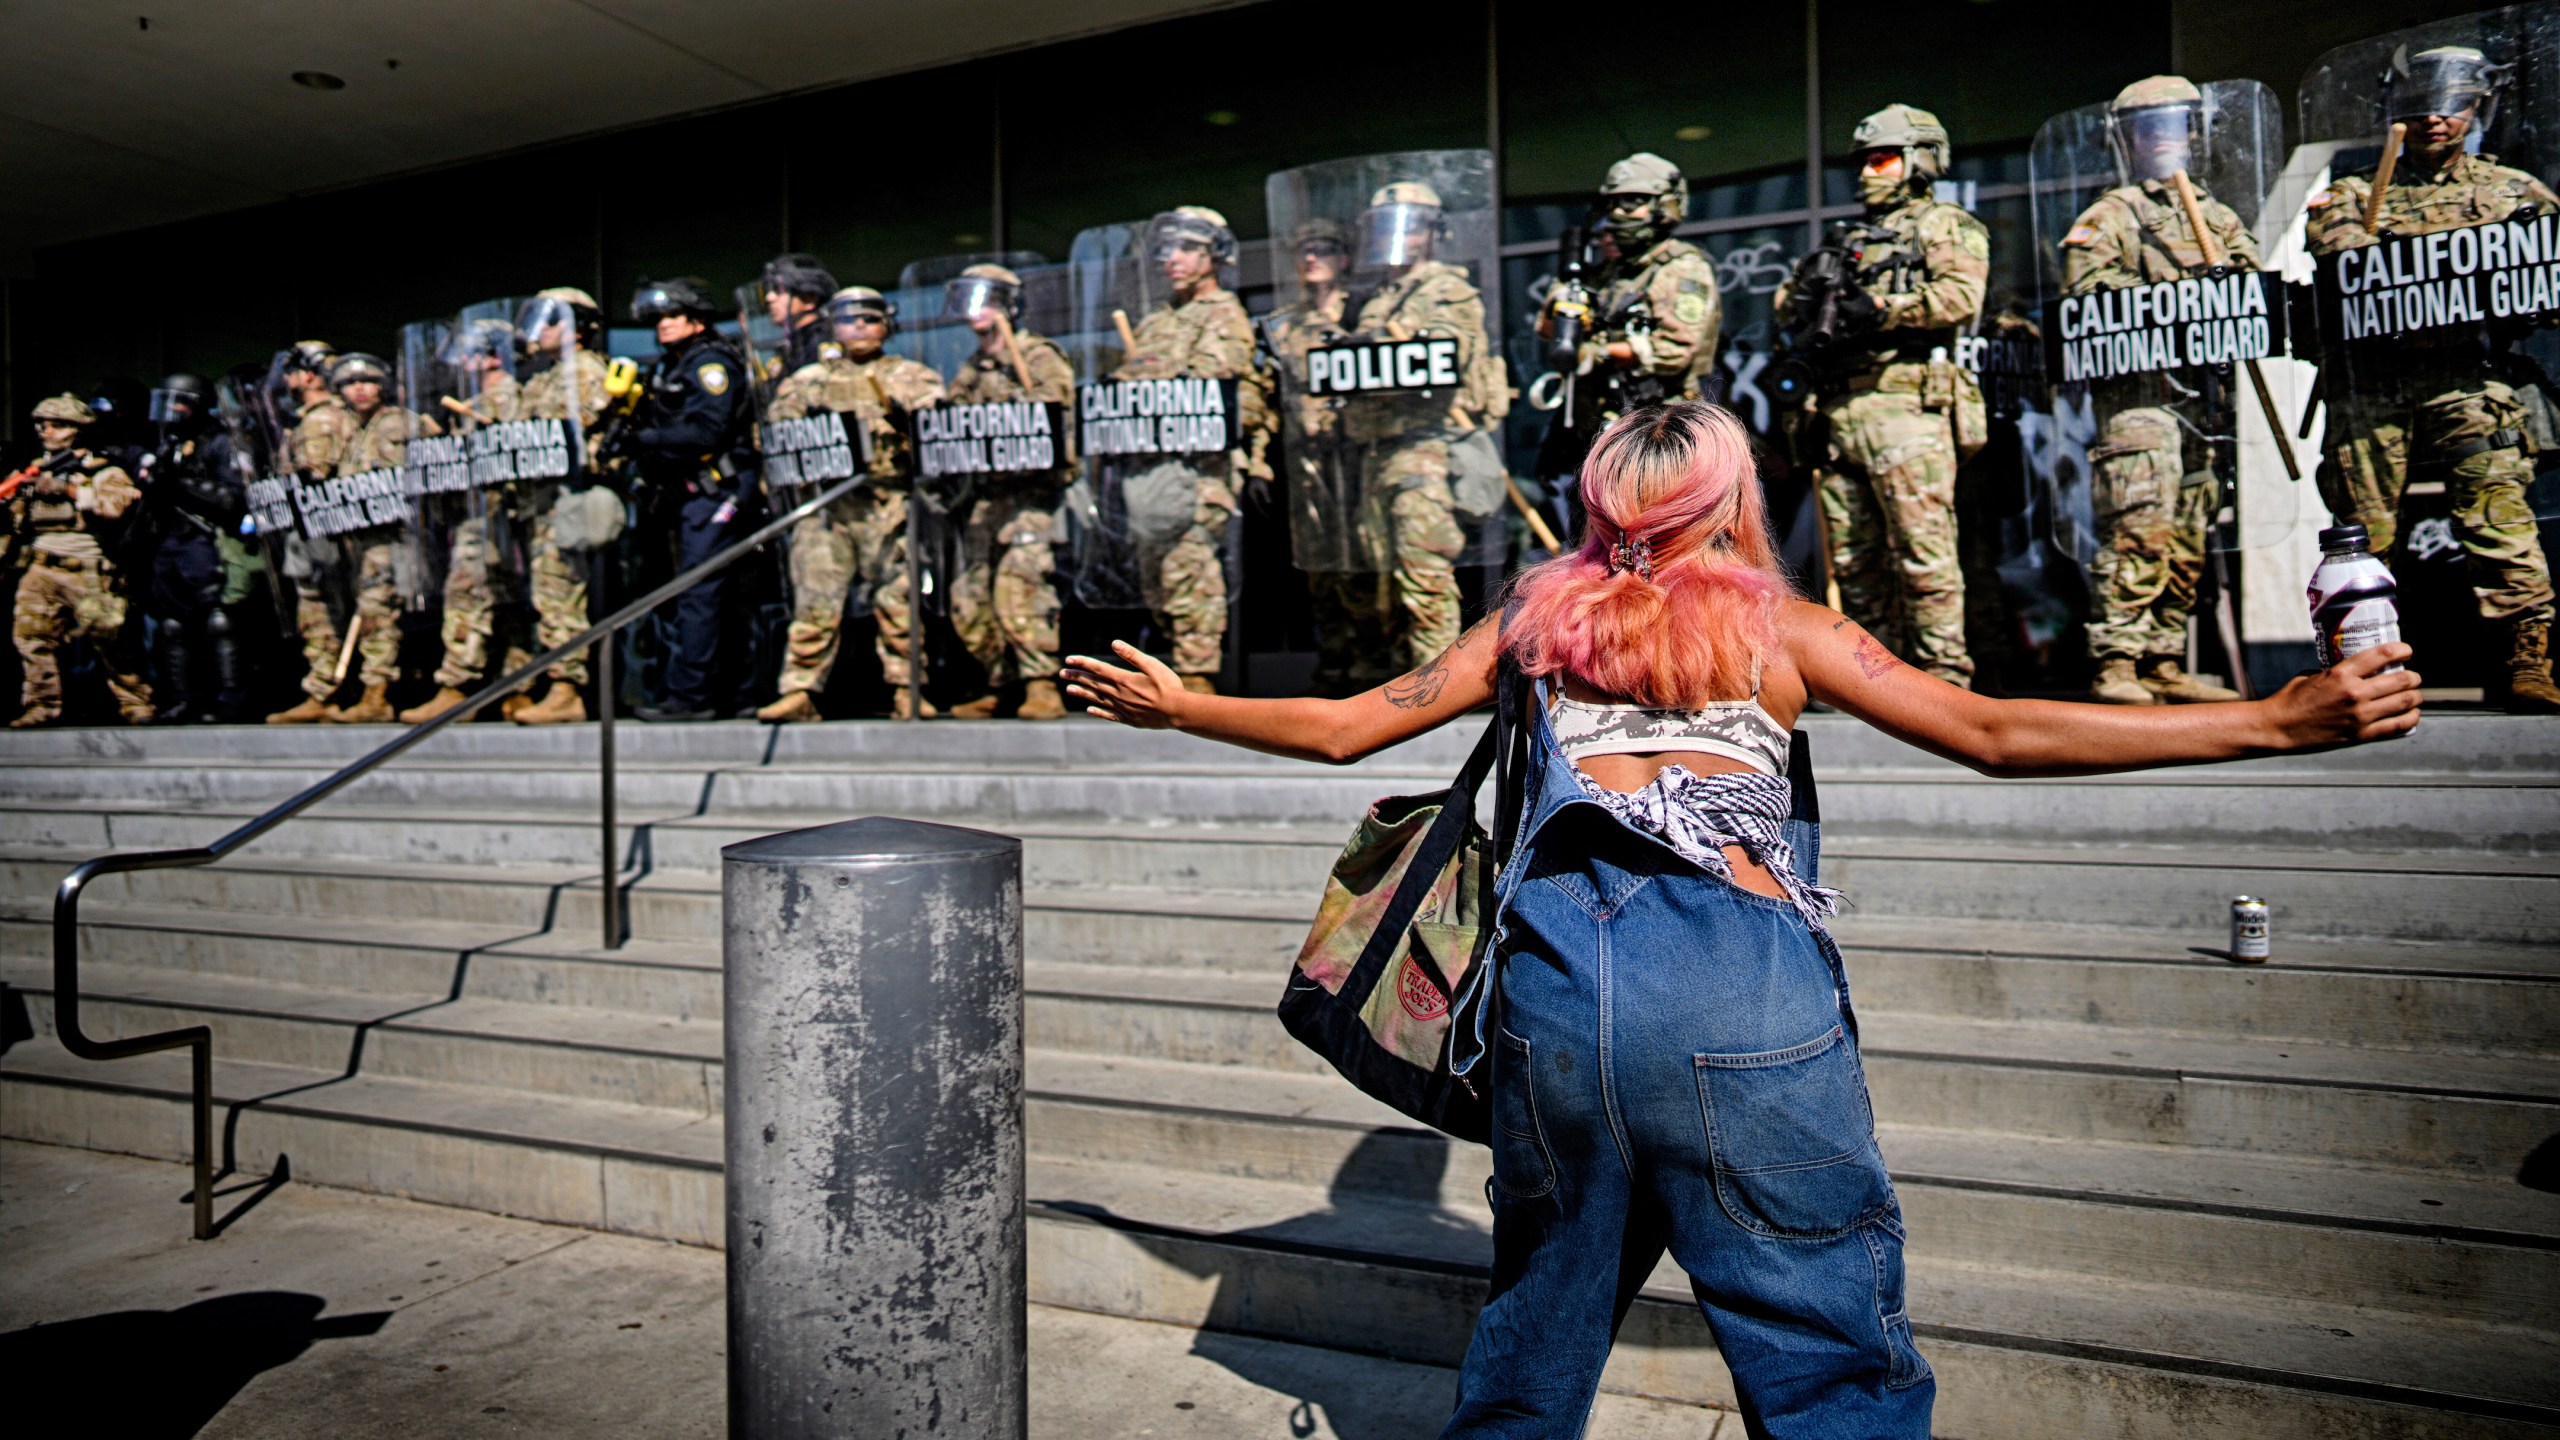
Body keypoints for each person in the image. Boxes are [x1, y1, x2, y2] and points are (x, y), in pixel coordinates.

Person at [1061, 400, 2421, 1439]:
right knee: (1827, 1359)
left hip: (1553, 1008)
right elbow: (1996, 732)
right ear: (1728, 503)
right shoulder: (1781, 628)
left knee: (1534, 1338)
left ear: (1598, 503)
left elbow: (1351, 727)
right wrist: (2267, 717)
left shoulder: (1535, 621)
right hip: (1740, 999)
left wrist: (1180, 704)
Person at [2306, 45, 2560, 712]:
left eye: (2453, 106)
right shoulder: (2355, 194)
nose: (2435, 120)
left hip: (2470, 380)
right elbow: (2336, 256)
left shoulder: (2515, 192)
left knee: (2500, 513)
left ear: (2477, 109)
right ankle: (2363, 666)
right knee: (2363, 534)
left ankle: (2525, 656)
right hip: (2375, 386)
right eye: (2420, 106)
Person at [1778, 104, 1989, 687]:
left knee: (1923, 551)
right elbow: (1787, 310)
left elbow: (1960, 297)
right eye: (1865, 162)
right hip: (1841, 412)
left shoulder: (1943, 224)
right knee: (1854, 561)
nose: (1869, 172)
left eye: (1883, 159)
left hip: (1907, 408)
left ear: (1920, 160)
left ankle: (1944, 678)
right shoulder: (1844, 241)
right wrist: (1806, 300)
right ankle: (1868, 680)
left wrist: (1880, 309)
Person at [2065, 77, 2258, 706]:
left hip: (2205, 402)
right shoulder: (2112, 215)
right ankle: (2116, 657)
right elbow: (2089, 297)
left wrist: (2229, 284)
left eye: (2173, 127)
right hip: (2140, 401)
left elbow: (2255, 294)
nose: (2162, 140)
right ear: (2129, 141)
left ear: (2194, 135)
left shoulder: (2218, 217)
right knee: (2139, 527)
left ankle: (2163, 656)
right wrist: (2182, 298)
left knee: (2189, 531)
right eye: (2148, 129)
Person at [758, 285, 947, 722]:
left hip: (891, 502)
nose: (859, 326)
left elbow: (943, 436)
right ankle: (800, 691)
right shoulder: (808, 381)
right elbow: (775, 439)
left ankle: (908, 689)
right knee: (814, 601)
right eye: (848, 318)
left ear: (887, 325)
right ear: (833, 326)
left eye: (870, 318)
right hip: (828, 506)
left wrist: (911, 425)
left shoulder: (914, 377)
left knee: (899, 601)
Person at [1339, 180, 1496, 676]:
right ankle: (1397, 684)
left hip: (1425, 448)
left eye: (1408, 226)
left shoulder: (1446, 288)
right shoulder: (1380, 297)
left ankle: (1435, 690)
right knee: (1381, 575)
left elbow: (1449, 355)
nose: (1397, 237)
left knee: (1423, 574)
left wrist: (1380, 341)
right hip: (1376, 450)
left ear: (1432, 232)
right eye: (1385, 227)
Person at [1114, 205, 1257, 695]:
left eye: (1187, 248)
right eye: (1165, 249)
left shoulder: (1223, 314)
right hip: (1154, 470)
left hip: (1198, 470)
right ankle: (1177, 668)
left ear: (1215, 255)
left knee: (1190, 565)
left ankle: (1197, 676)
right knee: (1159, 574)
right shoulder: (1158, 320)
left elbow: (1210, 386)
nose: (1170, 259)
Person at [940, 263, 1078, 721]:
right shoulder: (970, 369)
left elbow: (1058, 422)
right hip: (986, 499)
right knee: (969, 596)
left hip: (1031, 498)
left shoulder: (1037, 356)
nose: (976, 310)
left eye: (988, 299)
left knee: (1021, 588)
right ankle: (1001, 682)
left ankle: (1042, 685)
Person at [625, 277, 756, 722]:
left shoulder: (710, 364)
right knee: (713, 593)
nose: (663, 325)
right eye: (658, 319)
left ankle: (691, 698)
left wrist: (642, 438)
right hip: (689, 495)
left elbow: (707, 431)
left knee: (700, 592)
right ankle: (735, 693)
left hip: (718, 490)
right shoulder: (672, 366)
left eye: (673, 317)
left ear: (697, 321)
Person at [400, 317, 526, 723]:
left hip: (492, 518)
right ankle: (515, 687)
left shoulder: (504, 398)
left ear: (492, 355)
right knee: (504, 602)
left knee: (466, 593)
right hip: (486, 517)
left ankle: (457, 685)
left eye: (472, 351)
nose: (464, 362)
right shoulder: (476, 401)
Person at [1548, 153, 1724, 437]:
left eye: (1632, 202)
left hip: (1663, 427)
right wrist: (1562, 298)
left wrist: (1599, 353)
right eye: (1613, 203)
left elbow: (1673, 351)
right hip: (1603, 424)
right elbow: (1549, 330)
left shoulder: (1682, 268)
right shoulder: (1606, 274)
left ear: (1665, 205)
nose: (1618, 213)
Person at [1265, 219, 1367, 694]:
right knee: (1320, 567)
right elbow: (1267, 393)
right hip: (1307, 462)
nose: (1311, 258)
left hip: (1359, 458)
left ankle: (1373, 660)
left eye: (1323, 249)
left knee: (1366, 562)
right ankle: (1336, 657)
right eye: (1303, 250)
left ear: (1344, 259)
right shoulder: (1285, 324)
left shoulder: (1363, 312)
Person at [9, 394, 151, 727]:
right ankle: (42, 705)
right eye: (42, 425)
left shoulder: (100, 469)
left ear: (78, 430)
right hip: (40, 567)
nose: (47, 431)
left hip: (86, 568)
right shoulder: (33, 470)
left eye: (57, 425)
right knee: (31, 639)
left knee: (109, 640)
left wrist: (70, 491)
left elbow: (116, 504)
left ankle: (135, 702)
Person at [509, 287, 615, 726]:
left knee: (561, 592)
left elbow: (579, 432)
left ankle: (567, 688)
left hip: (570, 500)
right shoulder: (541, 378)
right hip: (541, 502)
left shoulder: (585, 371)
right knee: (548, 593)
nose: (540, 330)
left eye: (551, 320)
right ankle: (555, 681)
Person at [318, 352, 436, 723]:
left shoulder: (397, 423)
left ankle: (377, 694)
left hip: (395, 539)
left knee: (377, 613)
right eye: (351, 384)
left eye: (368, 382)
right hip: (363, 540)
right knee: (371, 611)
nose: (360, 390)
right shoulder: (355, 429)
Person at [134, 373, 250, 722]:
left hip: (207, 539)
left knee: (219, 620)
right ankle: (183, 697)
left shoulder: (220, 442)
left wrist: (182, 482)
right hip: (171, 542)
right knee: (171, 624)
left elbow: (234, 498)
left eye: (180, 403)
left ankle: (230, 698)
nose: (172, 412)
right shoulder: (168, 443)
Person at [265, 341, 364, 724]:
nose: (287, 380)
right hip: (317, 531)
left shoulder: (321, 419)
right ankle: (331, 687)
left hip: (320, 531)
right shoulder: (327, 415)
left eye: (291, 372)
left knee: (319, 609)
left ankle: (324, 689)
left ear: (307, 374)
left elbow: (317, 473)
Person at [759, 253, 841, 381]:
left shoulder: (826, 344)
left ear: (809, 299)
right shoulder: (790, 348)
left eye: (779, 290)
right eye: (768, 291)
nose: (769, 298)